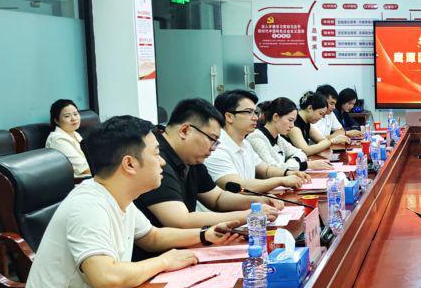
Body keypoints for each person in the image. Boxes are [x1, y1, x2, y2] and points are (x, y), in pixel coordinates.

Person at [20, 116, 244, 288]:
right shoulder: (88, 205)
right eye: (156, 154)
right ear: (129, 164)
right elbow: (106, 277)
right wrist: (165, 261)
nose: (162, 162)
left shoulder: (118, 196)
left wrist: (205, 235)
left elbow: (152, 237)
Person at [133, 99, 284, 242]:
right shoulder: (157, 161)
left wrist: (256, 201)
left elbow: (217, 198)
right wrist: (249, 215)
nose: (213, 148)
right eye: (212, 139)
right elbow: (181, 220)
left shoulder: (190, 158)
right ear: (185, 130)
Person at [204, 90, 307, 193]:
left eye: (255, 112)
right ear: (229, 117)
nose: (255, 118)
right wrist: (281, 181)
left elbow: (265, 170)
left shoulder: (245, 144)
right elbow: (239, 186)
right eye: (249, 112)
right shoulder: (216, 148)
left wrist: (287, 173)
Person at [247, 97, 331, 172]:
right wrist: (306, 165)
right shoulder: (256, 138)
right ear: (276, 117)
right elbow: (272, 169)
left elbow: (301, 153)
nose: (292, 125)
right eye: (290, 120)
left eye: (293, 121)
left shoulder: (278, 138)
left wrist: (291, 162)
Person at [45, 99, 90, 176]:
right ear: (56, 120)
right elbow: (83, 168)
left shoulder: (75, 134)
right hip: (78, 180)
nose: (73, 118)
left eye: (75, 114)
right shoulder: (58, 140)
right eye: (67, 116)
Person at [287, 90, 336, 157]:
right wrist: (331, 141)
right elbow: (306, 151)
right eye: (320, 114)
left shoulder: (307, 123)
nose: (321, 118)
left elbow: (324, 140)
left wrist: (327, 143)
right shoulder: (293, 125)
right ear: (309, 108)